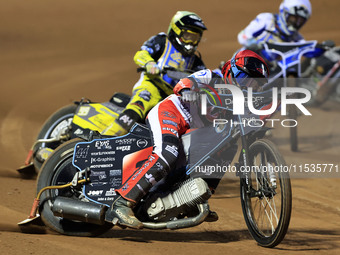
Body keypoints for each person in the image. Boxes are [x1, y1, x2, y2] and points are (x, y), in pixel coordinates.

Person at [108, 50, 270, 229]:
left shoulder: (240, 105)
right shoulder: (210, 76)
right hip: (172, 113)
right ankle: (123, 203)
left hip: (190, 133)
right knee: (167, 153)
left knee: (228, 145)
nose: (246, 86)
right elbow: (184, 84)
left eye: (254, 84)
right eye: (243, 79)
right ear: (229, 70)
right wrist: (189, 91)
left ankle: (193, 199)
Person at [102, 11, 207, 136]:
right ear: (176, 31)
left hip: (172, 97)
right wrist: (149, 64)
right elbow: (141, 54)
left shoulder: (195, 61)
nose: (191, 42)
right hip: (151, 86)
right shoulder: (162, 41)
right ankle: (105, 139)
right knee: (136, 110)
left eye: (195, 38)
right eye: (188, 36)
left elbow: (203, 78)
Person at [238, 0, 312, 51]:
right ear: (284, 13)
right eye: (293, 18)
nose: (296, 23)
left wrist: (321, 47)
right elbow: (243, 35)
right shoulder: (267, 20)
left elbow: (307, 49)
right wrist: (252, 43)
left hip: (267, 71)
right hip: (244, 63)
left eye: (300, 21)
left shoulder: (296, 38)